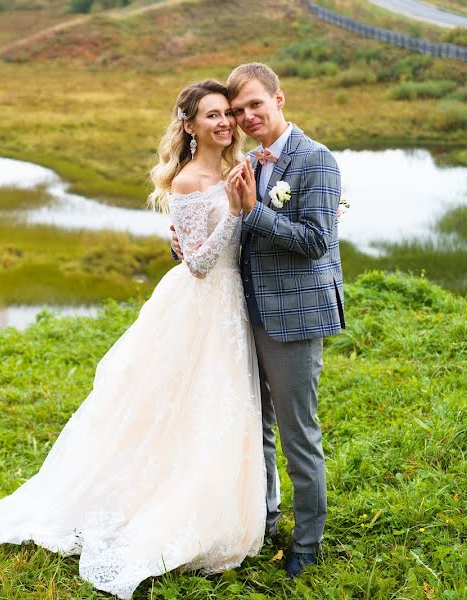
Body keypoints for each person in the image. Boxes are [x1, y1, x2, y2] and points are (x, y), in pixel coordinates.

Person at [0, 79, 265, 599]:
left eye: (226, 113)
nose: (224, 123)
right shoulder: (188, 182)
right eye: (212, 115)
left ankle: (220, 511)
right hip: (199, 307)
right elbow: (199, 262)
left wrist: (246, 208)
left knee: (222, 408)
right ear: (189, 126)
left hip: (231, 305)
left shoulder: (239, 168)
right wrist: (235, 213)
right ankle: (162, 511)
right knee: (179, 409)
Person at [172, 62, 345, 578]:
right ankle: (263, 520)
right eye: (237, 109)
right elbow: (219, 225)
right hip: (242, 312)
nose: (245, 117)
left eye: (254, 106)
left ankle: (307, 545)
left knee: (299, 436)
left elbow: (317, 242)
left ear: (279, 100)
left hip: (291, 316)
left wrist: (254, 212)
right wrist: (180, 241)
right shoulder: (246, 160)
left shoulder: (316, 160)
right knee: (256, 428)